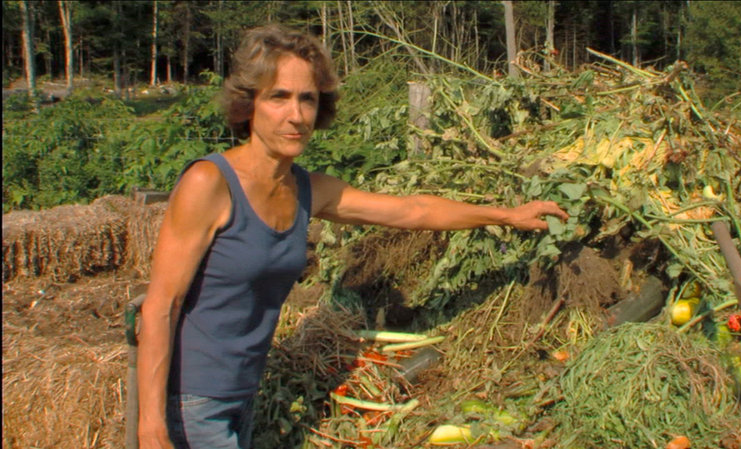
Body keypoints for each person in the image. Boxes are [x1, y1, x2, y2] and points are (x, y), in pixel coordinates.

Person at [137, 24, 568, 449]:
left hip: (244, 393)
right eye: (279, 97)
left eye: (307, 98)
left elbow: (412, 210)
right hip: (191, 400)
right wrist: (151, 424)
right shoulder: (210, 183)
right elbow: (161, 305)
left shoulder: (308, 189)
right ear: (248, 105)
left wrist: (508, 215)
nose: (296, 114)